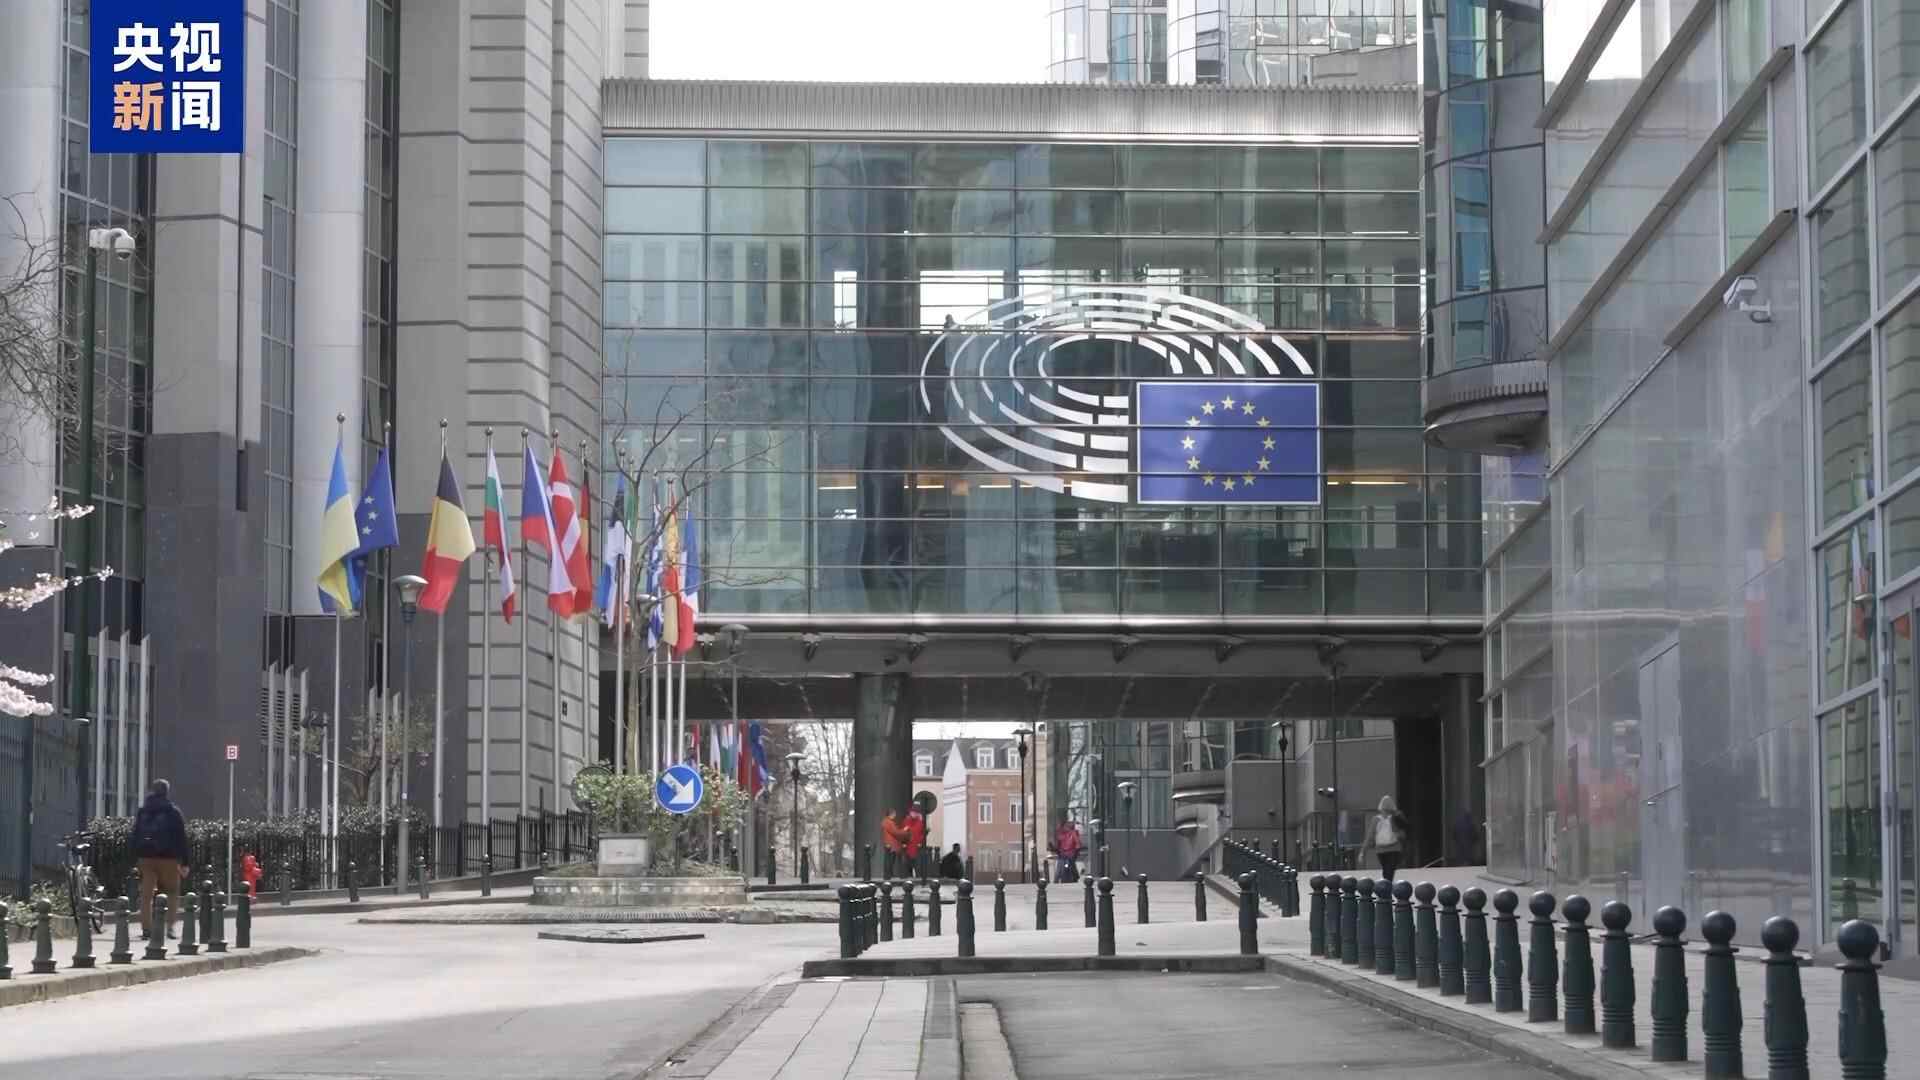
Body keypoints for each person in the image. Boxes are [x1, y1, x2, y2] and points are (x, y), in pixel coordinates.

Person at [132, 778, 189, 939]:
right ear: (167, 792)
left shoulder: (143, 811)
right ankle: (170, 927)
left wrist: (136, 857)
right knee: (172, 892)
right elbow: (181, 838)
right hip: (169, 858)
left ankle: (146, 928)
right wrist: (185, 862)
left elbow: (135, 834)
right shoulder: (173, 812)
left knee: (146, 895)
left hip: (146, 858)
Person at [1361, 795, 1410, 882]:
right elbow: (1403, 834)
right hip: (1394, 849)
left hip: (1381, 850)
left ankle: (1386, 887)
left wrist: (1362, 852)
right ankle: (1387, 887)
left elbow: (1370, 836)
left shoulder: (1376, 819)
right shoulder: (1395, 817)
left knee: (1386, 871)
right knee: (1389, 872)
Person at [880, 807, 906, 877]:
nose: (895, 815)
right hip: (892, 844)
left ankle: (889, 874)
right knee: (891, 860)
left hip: (889, 844)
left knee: (890, 860)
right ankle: (889, 874)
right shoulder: (889, 822)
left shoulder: (886, 822)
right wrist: (904, 830)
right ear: (891, 814)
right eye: (894, 814)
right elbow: (896, 832)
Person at [904, 804, 927, 878]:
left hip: (916, 846)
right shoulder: (907, 821)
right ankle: (909, 876)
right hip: (909, 845)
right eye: (912, 812)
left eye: (915, 812)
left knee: (917, 863)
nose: (913, 814)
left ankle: (917, 877)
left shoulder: (920, 822)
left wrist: (920, 842)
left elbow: (922, 834)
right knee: (909, 863)